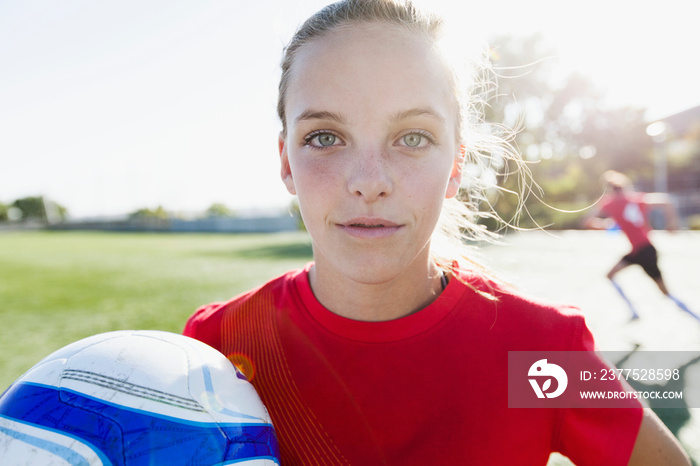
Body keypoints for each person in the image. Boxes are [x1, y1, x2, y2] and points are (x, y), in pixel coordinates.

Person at [184, 1, 691, 464]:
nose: (369, 183)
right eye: (324, 137)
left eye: (412, 137)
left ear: (455, 166)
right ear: (286, 162)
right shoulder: (215, 347)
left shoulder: (538, 350)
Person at [584, 170, 698, 322]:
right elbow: (666, 201)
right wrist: (672, 224)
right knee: (610, 275)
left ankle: (694, 316)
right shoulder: (636, 198)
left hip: (644, 252)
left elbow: (587, 221)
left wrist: (607, 226)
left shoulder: (609, 203)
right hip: (640, 250)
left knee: (665, 292)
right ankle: (633, 312)